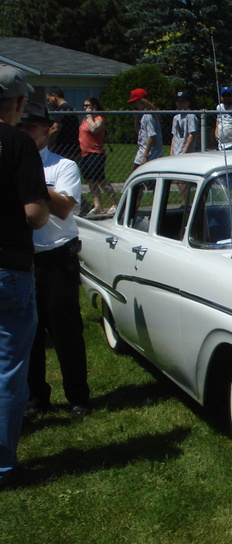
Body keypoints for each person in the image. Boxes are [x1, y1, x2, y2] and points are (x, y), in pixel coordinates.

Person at [18, 101, 92, 421]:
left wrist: (32, 179)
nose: (25, 132)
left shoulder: (63, 167)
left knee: (66, 332)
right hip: (22, 259)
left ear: (48, 129)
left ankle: (78, 396)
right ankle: (36, 398)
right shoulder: (11, 164)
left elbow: (63, 209)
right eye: (19, 126)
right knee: (29, 336)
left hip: (57, 259)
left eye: (31, 126)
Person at [0, 67, 51, 491]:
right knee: (8, 368)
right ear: (18, 104)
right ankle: (3, 466)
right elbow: (36, 215)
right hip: (8, 265)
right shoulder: (17, 143)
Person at [79, 97, 117, 216]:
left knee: (100, 180)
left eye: (88, 105)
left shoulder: (99, 119)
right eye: (84, 106)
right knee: (90, 181)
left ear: (94, 106)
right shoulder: (84, 120)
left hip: (96, 153)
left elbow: (94, 129)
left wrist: (90, 116)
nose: (85, 108)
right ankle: (98, 205)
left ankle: (115, 203)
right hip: (85, 154)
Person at [127, 88, 162, 168]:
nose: (134, 105)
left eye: (135, 102)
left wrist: (145, 156)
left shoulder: (148, 116)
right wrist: (136, 120)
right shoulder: (143, 116)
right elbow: (139, 134)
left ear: (142, 101)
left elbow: (151, 136)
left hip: (150, 156)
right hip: (141, 154)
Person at [45, 86, 80, 160]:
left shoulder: (62, 109)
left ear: (54, 96)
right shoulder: (69, 108)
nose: (48, 103)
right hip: (72, 149)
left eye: (48, 99)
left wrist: (46, 143)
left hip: (65, 151)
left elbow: (55, 128)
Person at [171, 91, 197, 155]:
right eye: (178, 101)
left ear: (188, 103)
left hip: (187, 153)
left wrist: (184, 152)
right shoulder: (176, 117)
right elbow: (174, 136)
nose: (180, 103)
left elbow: (191, 136)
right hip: (176, 151)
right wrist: (171, 151)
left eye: (182, 101)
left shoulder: (191, 116)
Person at [215, 87, 232, 151]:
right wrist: (216, 133)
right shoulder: (219, 107)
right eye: (224, 95)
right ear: (220, 97)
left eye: (228, 95)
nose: (226, 97)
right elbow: (218, 121)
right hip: (221, 144)